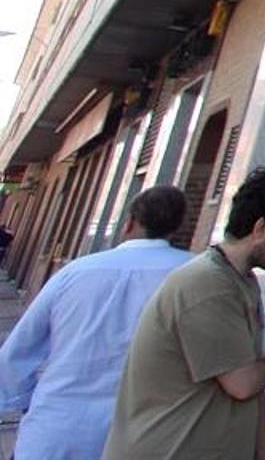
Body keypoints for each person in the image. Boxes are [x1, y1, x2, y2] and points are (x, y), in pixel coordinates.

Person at [102, 161, 265, 460]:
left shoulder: (239, 281)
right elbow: (243, 383)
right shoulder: (209, 284)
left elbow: (252, 394)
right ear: (261, 228)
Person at [0, 186, 191, 460]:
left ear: (129, 223)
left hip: (57, 430)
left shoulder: (75, 272)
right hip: (146, 436)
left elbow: (17, 352)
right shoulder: (192, 276)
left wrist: (25, 401)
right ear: (177, 227)